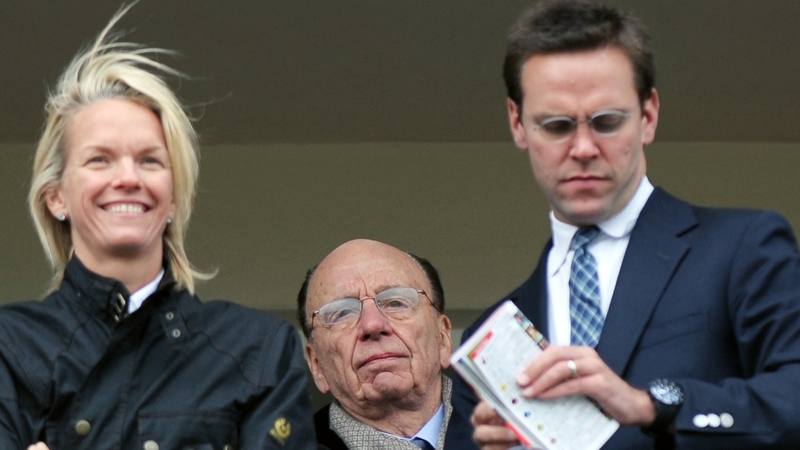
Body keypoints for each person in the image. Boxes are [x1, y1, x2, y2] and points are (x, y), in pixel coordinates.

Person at [446, 1, 800, 449]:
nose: (583, 147)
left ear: (648, 116)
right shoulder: (486, 337)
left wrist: (654, 405)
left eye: (607, 122)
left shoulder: (743, 248)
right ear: (518, 124)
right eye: (556, 126)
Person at [0, 5, 315, 449]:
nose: (128, 178)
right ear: (56, 196)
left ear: (173, 196)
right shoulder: (8, 348)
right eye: (99, 159)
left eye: (149, 160)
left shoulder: (258, 351)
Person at [297, 239, 454, 449]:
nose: (372, 324)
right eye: (342, 313)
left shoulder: (509, 422)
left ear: (442, 338)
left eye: (396, 302)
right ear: (316, 365)